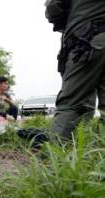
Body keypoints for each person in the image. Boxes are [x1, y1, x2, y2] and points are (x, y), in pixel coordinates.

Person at [46, 0, 105, 139]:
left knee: (71, 103)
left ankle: (56, 155)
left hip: (88, 40)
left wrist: (67, 20)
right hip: (91, 38)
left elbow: (53, 7)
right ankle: (99, 154)